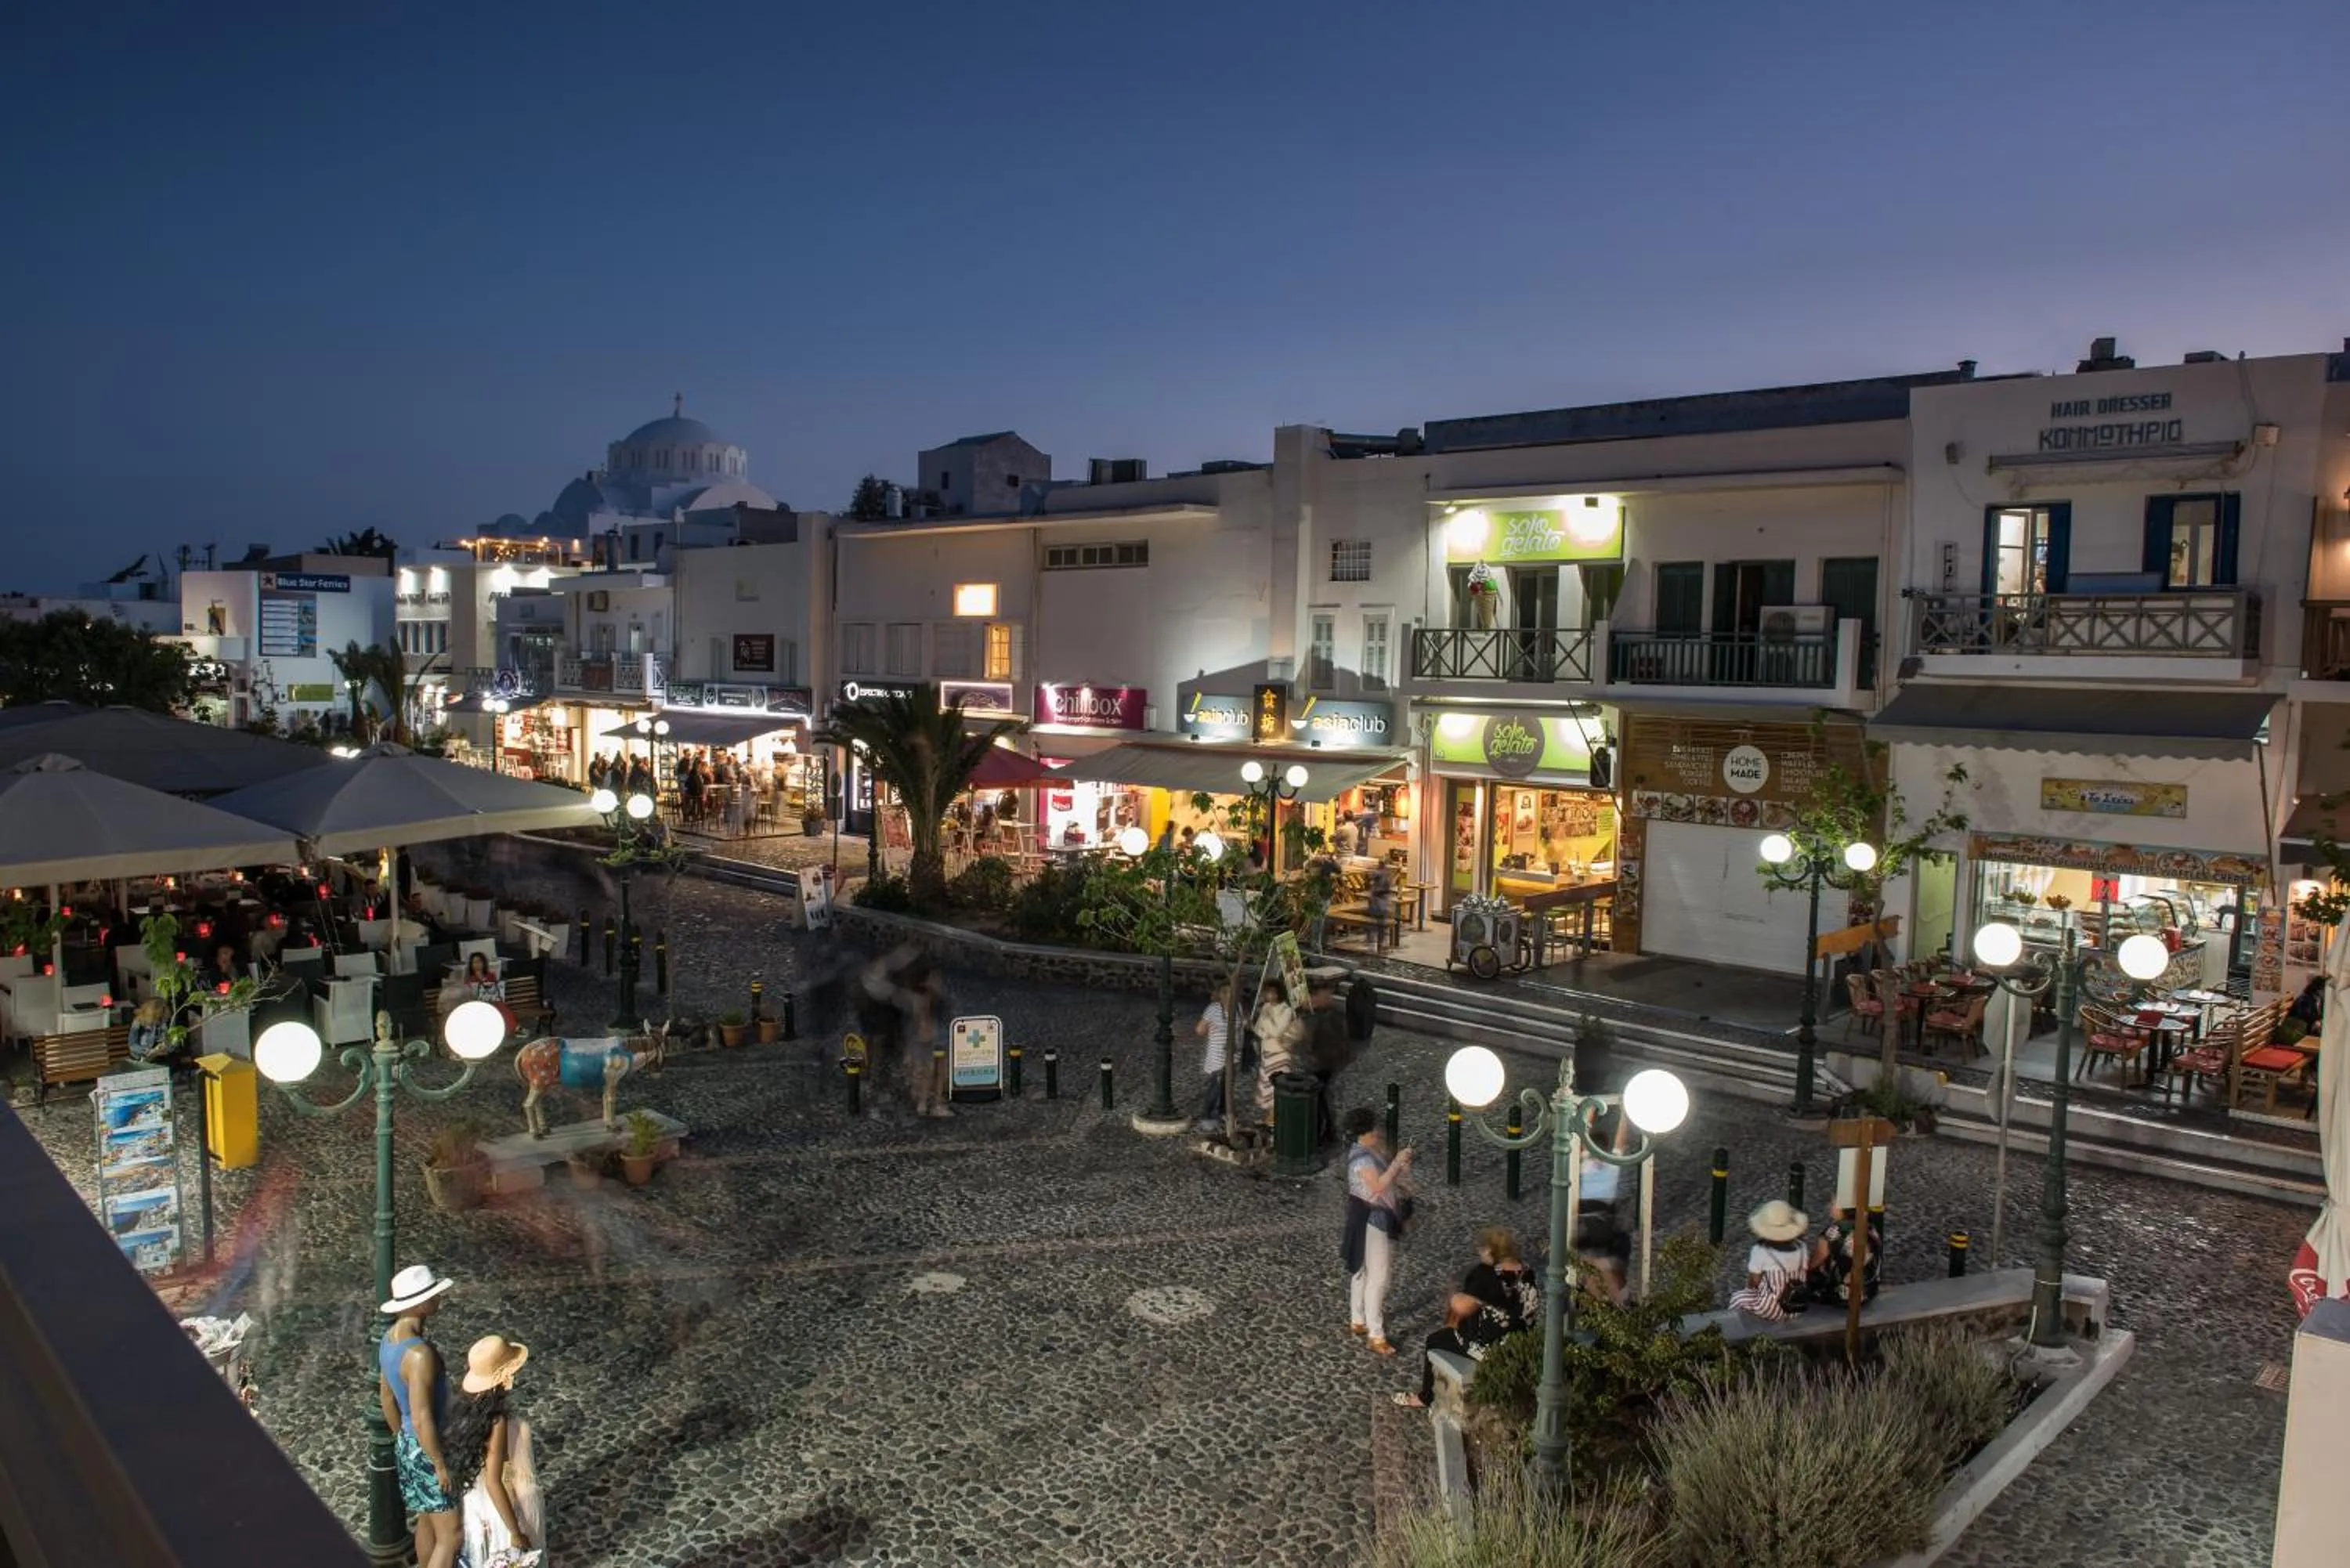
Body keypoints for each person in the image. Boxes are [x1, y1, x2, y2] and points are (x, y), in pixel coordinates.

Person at [378, 1264, 461, 1568]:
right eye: (434, 1295)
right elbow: (422, 1416)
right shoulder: (419, 1355)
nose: (439, 1299)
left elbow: (387, 1398)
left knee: (427, 1520)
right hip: (428, 1446)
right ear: (420, 1305)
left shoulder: (388, 1339)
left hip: (409, 1443)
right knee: (451, 1535)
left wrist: (404, 1439)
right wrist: (438, 1463)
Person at [443, 1335, 542, 1568]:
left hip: (473, 1502)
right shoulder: (496, 1422)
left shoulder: (461, 1409)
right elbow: (493, 1482)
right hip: (496, 1506)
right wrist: (515, 1532)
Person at [1339, 1107, 1412, 1356]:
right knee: (1377, 1276)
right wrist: (1397, 1163)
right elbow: (1378, 1187)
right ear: (1365, 1133)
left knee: (1361, 1270)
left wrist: (1399, 1166)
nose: (1378, 1135)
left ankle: (1358, 1318)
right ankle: (1376, 1334)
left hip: (1360, 1217)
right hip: (1373, 1219)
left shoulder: (1362, 1152)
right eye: (1374, 1132)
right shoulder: (1364, 1159)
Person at [1391, 1291, 1513, 1409]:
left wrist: (1458, 1301)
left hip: (1489, 1350)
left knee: (1435, 1340)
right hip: (1513, 1344)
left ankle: (1426, 1398)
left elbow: (1466, 1306)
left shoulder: (1490, 1284)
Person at [1727, 1200, 1811, 1321]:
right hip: (1796, 1306)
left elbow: (1755, 1281)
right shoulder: (1802, 1247)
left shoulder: (1761, 1251)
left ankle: (1738, 1329)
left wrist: (1751, 1290)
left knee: (1737, 1298)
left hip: (1771, 1308)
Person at [1462, 1227, 1541, 1331]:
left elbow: (1463, 1307)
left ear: (1489, 1250)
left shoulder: (1483, 1274)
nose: (1480, 1253)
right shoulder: (1528, 1273)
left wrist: (1454, 1298)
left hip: (1490, 1337)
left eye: (1482, 1249)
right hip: (1524, 1335)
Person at [1809, 1204, 1884, 1308]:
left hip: (1841, 1294)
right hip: (1867, 1291)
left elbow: (1818, 1259)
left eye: (1833, 1204)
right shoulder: (1870, 1227)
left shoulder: (1836, 1230)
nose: (1829, 1207)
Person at [1193, 977, 1234, 1133]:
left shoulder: (1237, 1008)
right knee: (1214, 1088)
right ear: (1219, 994)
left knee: (1226, 1087)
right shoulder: (1213, 1009)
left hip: (1233, 1057)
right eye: (1225, 992)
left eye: (1231, 992)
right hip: (1217, 1057)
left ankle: (1223, 1113)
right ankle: (1208, 1116)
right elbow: (1200, 1029)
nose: (1228, 995)